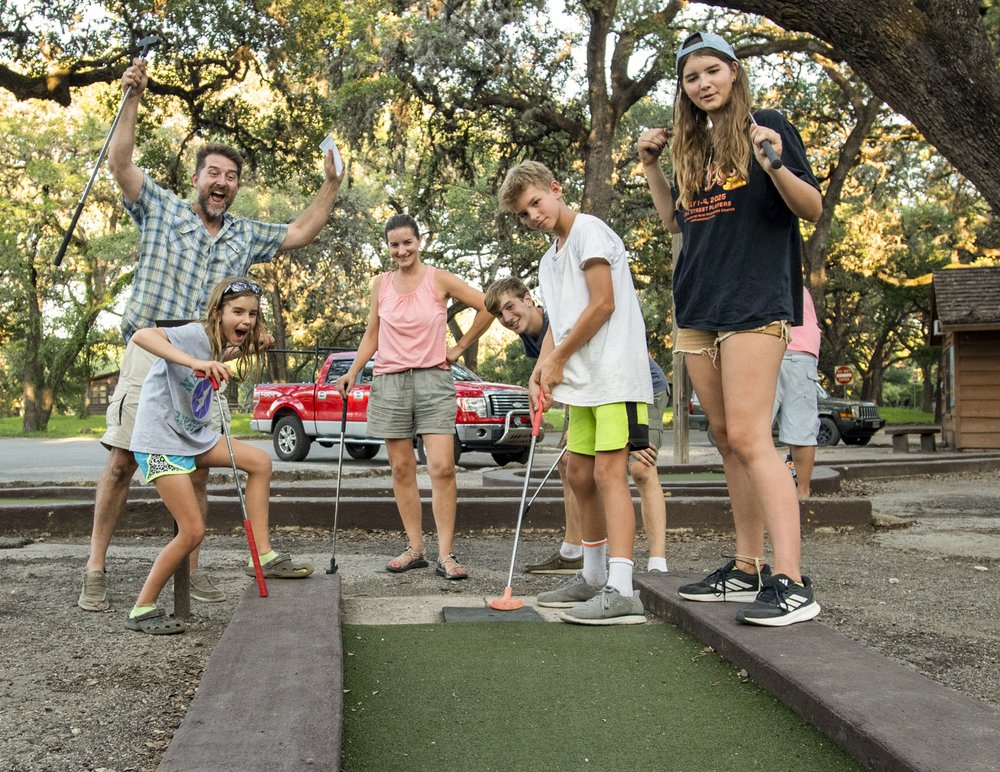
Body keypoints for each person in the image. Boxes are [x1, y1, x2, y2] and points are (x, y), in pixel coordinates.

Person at [77, 56, 345, 612]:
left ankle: (190, 572)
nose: (221, 183)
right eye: (213, 173)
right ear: (197, 178)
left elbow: (301, 229)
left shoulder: (244, 233)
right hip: (150, 348)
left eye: (231, 177)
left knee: (197, 462)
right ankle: (95, 568)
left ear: (236, 187)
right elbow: (121, 161)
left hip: (204, 360)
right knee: (123, 462)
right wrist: (131, 96)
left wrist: (331, 184)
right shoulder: (161, 209)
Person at [638, 31, 823, 626]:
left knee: (750, 436)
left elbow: (812, 208)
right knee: (724, 437)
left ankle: (791, 582)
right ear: (684, 90)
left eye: (713, 71)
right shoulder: (694, 147)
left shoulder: (765, 126)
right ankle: (747, 567)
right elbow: (675, 223)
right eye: (692, 78)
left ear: (734, 73)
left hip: (753, 302)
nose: (704, 84)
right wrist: (650, 166)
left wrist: (772, 162)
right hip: (697, 305)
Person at [497, 161, 654, 625]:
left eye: (536, 204)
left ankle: (623, 589)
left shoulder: (590, 231)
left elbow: (603, 303)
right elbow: (560, 324)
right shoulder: (549, 260)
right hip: (583, 387)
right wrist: (541, 367)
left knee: (609, 474)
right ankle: (592, 574)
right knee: (579, 474)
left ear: (555, 190)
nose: (533, 217)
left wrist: (560, 357)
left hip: (615, 376)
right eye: (524, 214)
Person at [125, 277, 313, 634]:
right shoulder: (196, 335)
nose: (246, 320)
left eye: (253, 314)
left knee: (260, 463)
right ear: (218, 312)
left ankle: (262, 555)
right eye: (237, 312)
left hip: (193, 437)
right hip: (161, 443)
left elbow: (223, 355)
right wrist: (196, 360)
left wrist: (249, 349)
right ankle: (142, 607)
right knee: (192, 530)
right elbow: (141, 336)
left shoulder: (218, 344)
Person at [335, 214, 493, 580]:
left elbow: (489, 305)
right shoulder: (381, 285)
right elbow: (372, 334)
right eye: (394, 245)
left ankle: (446, 555)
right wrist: (353, 370)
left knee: (442, 467)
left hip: (433, 381)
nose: (401, 250)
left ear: (419, 241)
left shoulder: (439, 279)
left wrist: (459, 348)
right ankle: (415, 549)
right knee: (402, 468)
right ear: (388, 247)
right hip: (389, 382)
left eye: (407, 242)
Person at [484, 277, 670, 574]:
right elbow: (568, 370)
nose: (507, 318)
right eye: (499, 314)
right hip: (591, 390)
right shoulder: (529, 334)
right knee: (571, 463)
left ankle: (658, 563)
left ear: (528, 299)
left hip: (641, 385)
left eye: (510, 307)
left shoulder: (556, 319)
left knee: (641, 466)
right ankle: (573, 551)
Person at [773, 286, 821, 499]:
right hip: (803, 355)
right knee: (802, 427)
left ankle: (766, 492)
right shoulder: (801, 287)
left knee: (755, 429)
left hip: (770, 348)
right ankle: (803, 493)